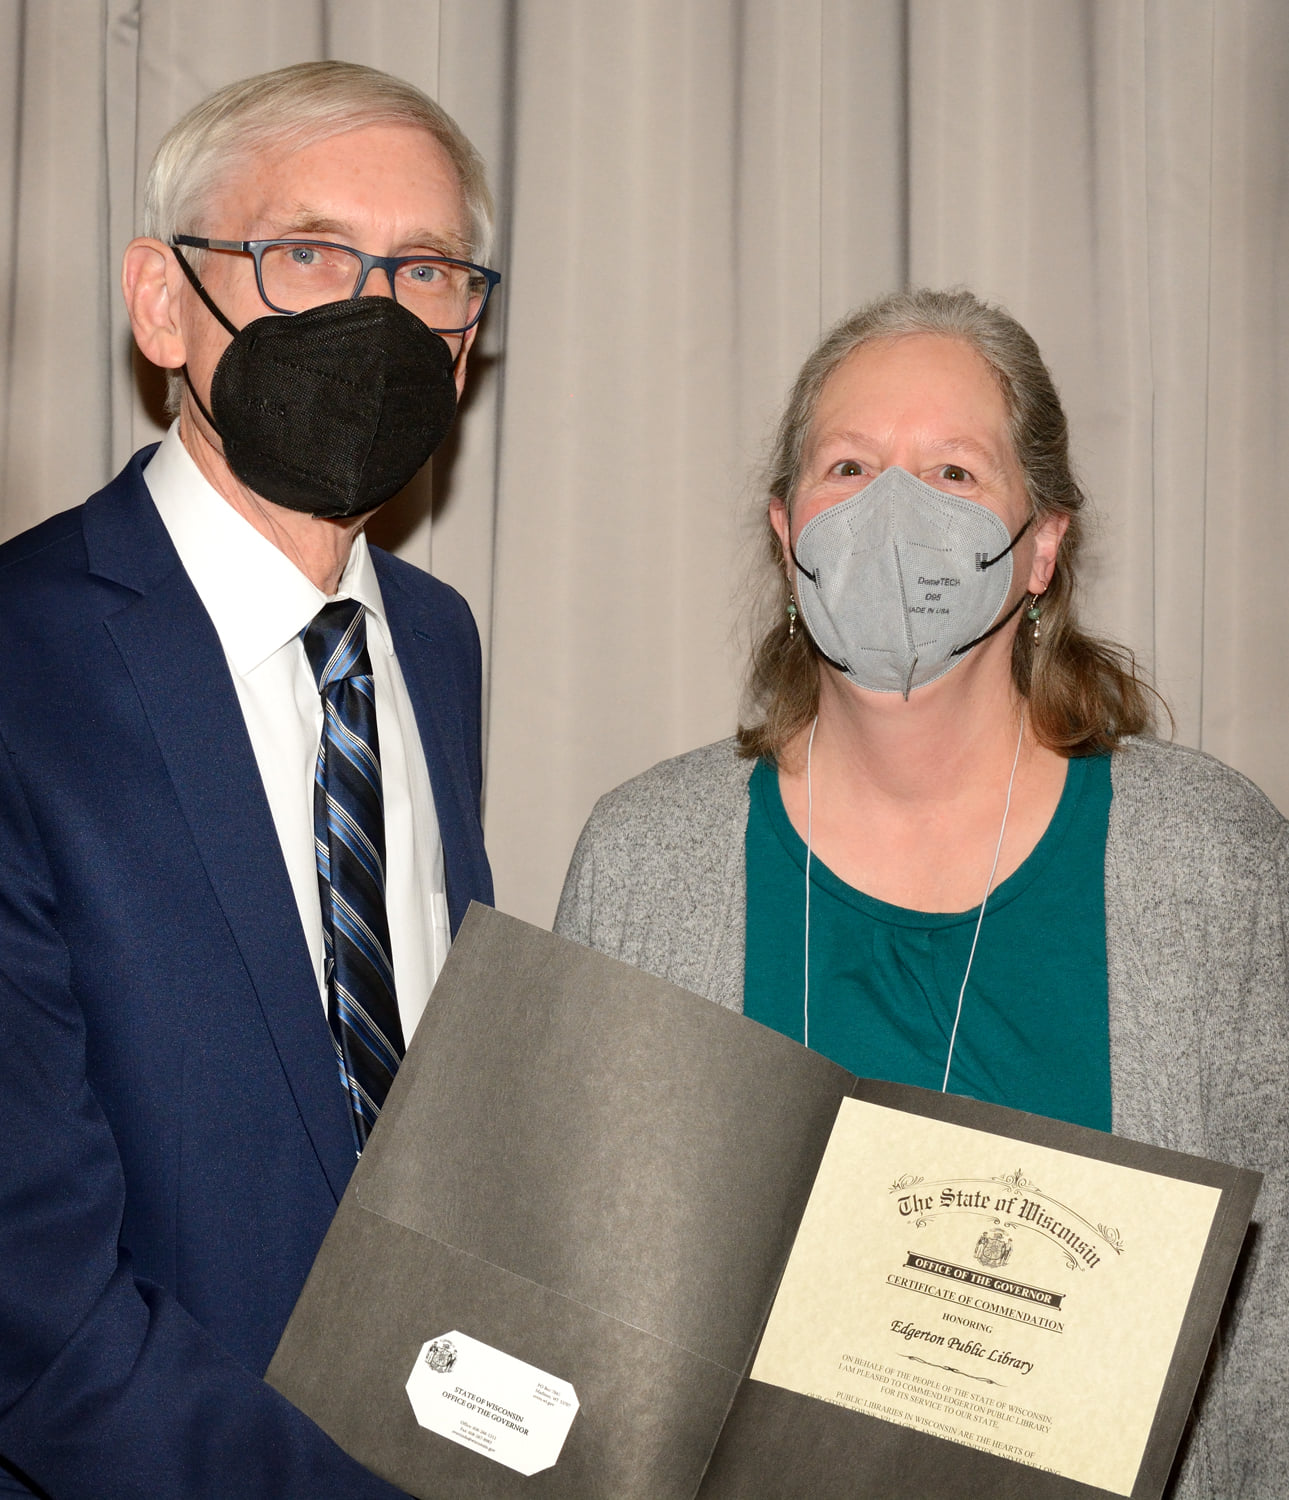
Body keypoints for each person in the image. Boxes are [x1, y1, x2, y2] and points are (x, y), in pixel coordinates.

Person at [556, 288, 1288, 1497]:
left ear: (1041, 542)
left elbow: (1270, 1314)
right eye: (848, 466)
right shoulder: (645, 857)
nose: (892, 511)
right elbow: (583, 1295)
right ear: (788, 532)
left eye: (951, 471)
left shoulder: (1209, 859)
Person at [0, 61, 498, 1498]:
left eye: (424, 271)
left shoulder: (437, 643)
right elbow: (35, 1313)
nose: (374, 311)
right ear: (164, 304)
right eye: (306, 253)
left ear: (468, 334)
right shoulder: (22, 668)